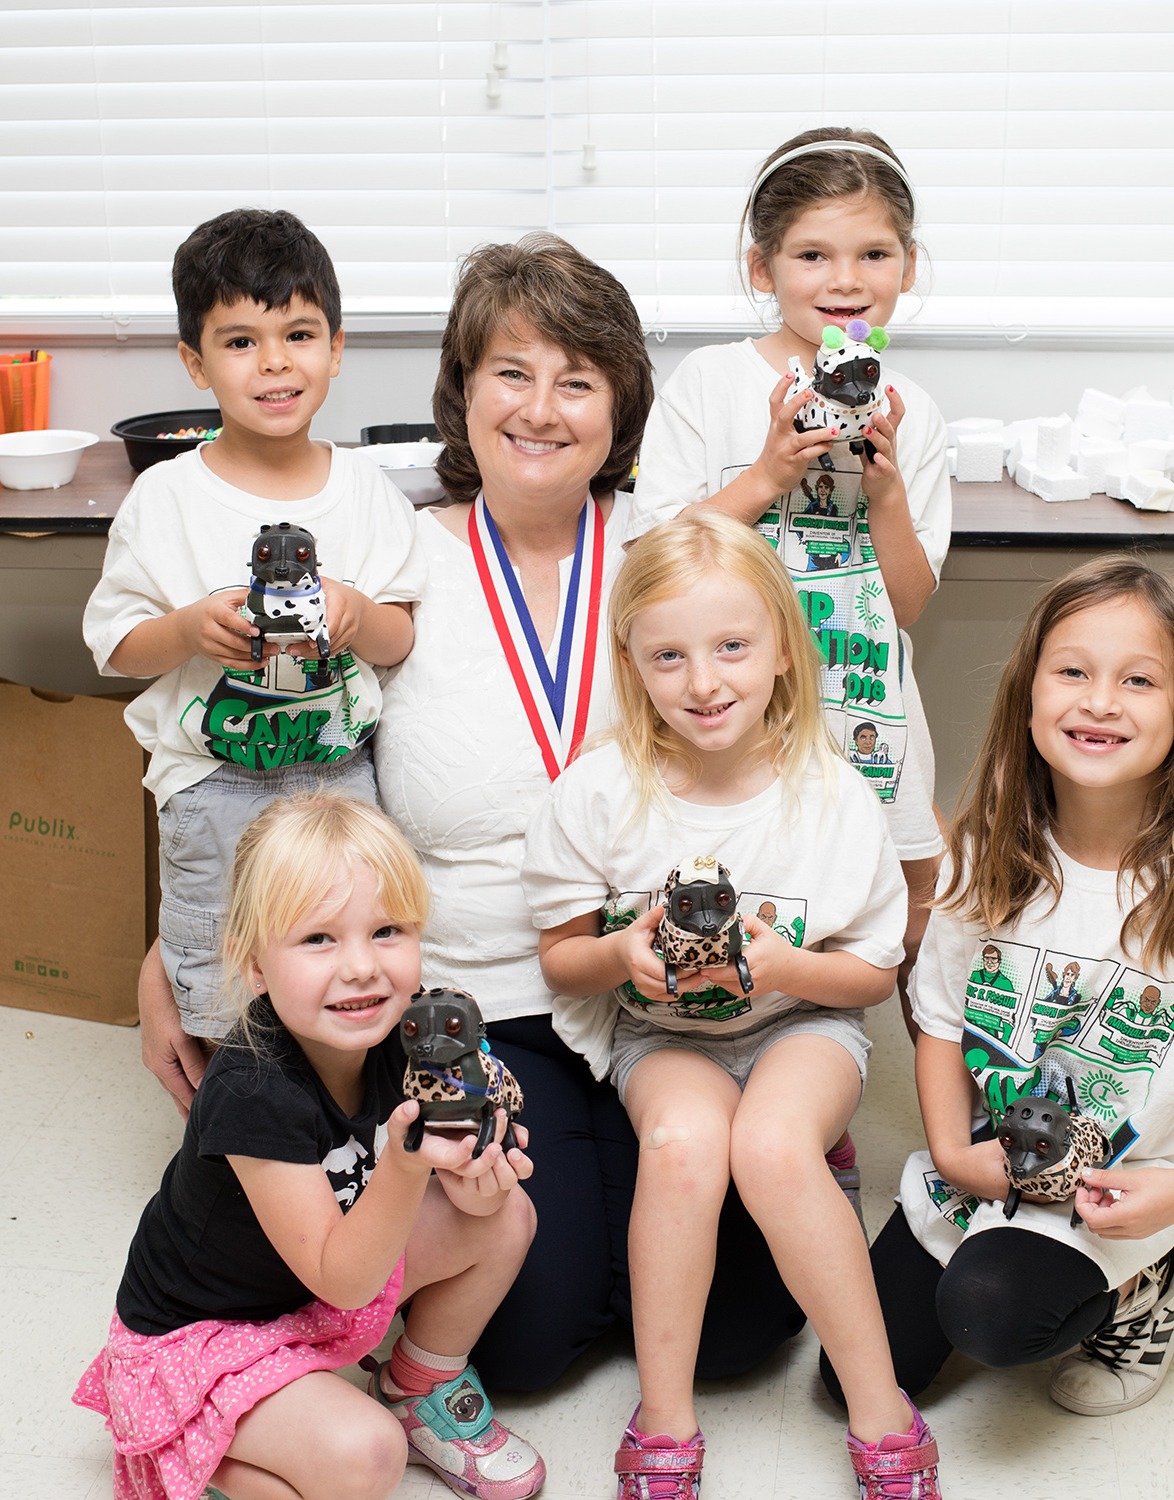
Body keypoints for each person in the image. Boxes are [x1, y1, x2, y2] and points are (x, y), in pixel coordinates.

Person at [136, 232, 810, 1393]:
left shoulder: (669, 560)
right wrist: (174, 950)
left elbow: (774, 759)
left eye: (578, 378)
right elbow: (261, 761)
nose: (541, 408)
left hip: (660, 989)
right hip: (480, 993)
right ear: (462, 391)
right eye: (511, 371)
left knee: (748, 1332)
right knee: (531, 1346)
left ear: (619, 407)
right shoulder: (387, 559)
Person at [826, 556, 1174, 1418]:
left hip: (1119, 1185)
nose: (1099, 701)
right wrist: (948, 1150)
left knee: (990, 1312)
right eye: (1073, 672)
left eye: (1138, 680)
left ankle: (1149, 1292)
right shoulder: (982, 859)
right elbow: (938, 1017)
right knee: (855, 1379)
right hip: (983, 1162)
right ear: (1028, 694)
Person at [521, 510, 943, 1500]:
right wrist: (623, 954)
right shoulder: (597, 794)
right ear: (631, 664)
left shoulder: (832, 795)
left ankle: (881, 1411)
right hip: (664, 1038)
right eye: (668, 656)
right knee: (682, 1150)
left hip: (807, 1023)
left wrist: (786, 968)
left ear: (785, 654)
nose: (703, 683)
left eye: (731, 648)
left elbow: (870, 978)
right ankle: (664, 1414)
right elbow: (558, 962)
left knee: (770, 1147)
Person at [73, 793, 544, 1500]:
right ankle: (181, 1450)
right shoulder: (251, 1090)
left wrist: (479, 1176)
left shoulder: (405, 1040)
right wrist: (408, 1162)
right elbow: (346, 1280)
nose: (361, 968)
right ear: (254, 965)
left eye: (387, 930)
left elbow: (396, 1222)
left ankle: (420, 1387)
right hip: (210, 1337)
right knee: (365, 1458)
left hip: (306, 1292)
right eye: (318, 939)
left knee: (505, 1217)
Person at [630, 127, 952, 1041]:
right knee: (767, 883)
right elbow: (652, 563)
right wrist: (768, 472)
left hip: (865, 698)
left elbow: (908, 603)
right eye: (812, 253)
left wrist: (884, 490)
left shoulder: (912, 411)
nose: (844, 280)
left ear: (908, 266)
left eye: (873, 253)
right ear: (761, 267)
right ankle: (770, 1063)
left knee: (907, 889)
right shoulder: (711, 382)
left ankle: (907, 1095)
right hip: (739, 703)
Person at [84, 207, 423, 1045]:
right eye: (240, 342)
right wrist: (192, 630)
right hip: (213, 784)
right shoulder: (165, 498)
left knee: (344, 960)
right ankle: (232, 1134)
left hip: (340, 775)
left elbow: (401, 639)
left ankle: (333, 1122)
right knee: (219, 970)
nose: (274, 362)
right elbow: (118, 648)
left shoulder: (368, 491)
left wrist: (351, 613)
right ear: (195, 365)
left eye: (299, 334)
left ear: (336, 349)